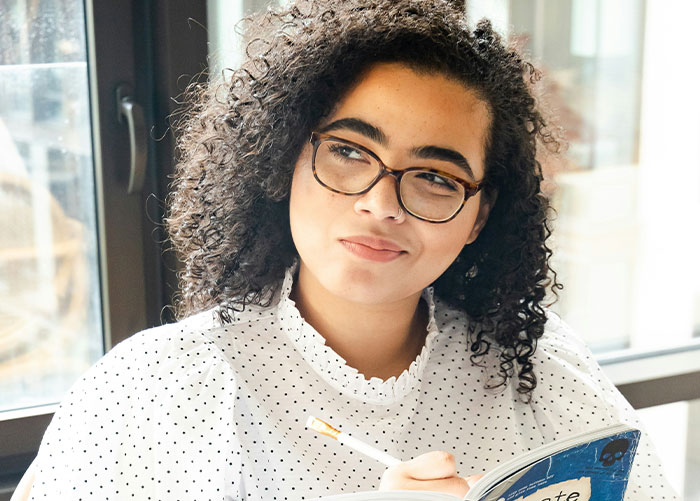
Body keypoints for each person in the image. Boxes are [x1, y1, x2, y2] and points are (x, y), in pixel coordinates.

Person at [19, 0, 677, 499]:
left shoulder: (545, 376)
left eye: (434, 176)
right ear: (284, 158)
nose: (380, 203)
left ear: (479, 215)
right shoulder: (150, 394)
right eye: (349, 151)